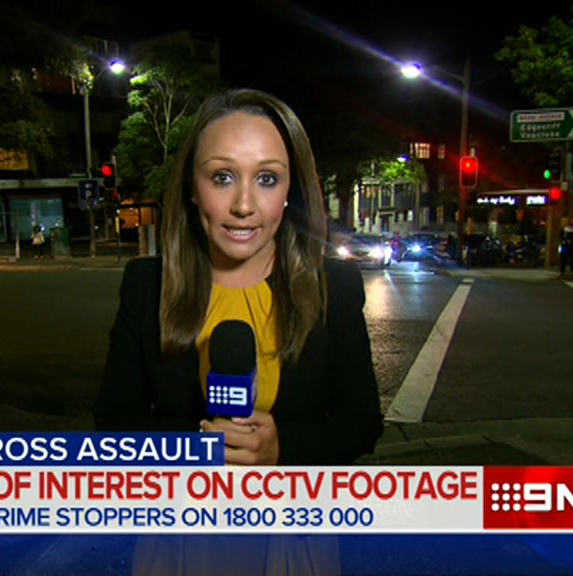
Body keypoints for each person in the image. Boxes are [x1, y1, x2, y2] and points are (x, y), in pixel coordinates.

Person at [94, 89, 384, 574]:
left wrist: (281, 448)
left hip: (296, 546)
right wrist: (199, 449)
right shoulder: (147, 285)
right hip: (177, 544)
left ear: (290, 190)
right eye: (222, 177)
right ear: (192, 186)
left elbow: (361, 423)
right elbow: (114, 422)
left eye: (267, 178)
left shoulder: (334, 287)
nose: (244, 204)